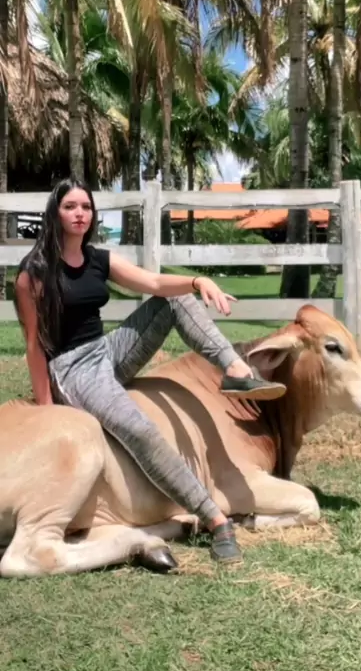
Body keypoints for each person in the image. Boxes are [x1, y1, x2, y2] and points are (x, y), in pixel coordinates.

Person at [14, 177, 286, 568]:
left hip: (105, 351)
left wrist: (197, 280)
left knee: (174, 300)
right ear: (55, 213)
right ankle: (215, 520)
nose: (79, 214)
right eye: (70, 206)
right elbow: (34, 345)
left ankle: (235, 368)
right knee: (142, 431)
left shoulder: (97, 259)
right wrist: (46, 409)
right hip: (72, 369)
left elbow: (155, 282)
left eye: (86, 207)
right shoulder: (34, 273)